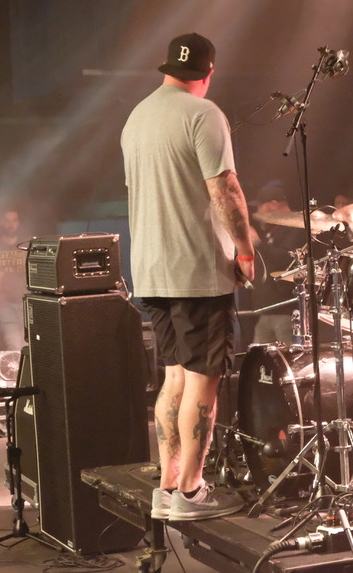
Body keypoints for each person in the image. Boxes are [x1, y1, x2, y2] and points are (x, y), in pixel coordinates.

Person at [121, 32, 255, 522]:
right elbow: (225, 189)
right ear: (208, 73)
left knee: (174, 376)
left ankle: (168, 487)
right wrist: (244, 250)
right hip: (197, 272)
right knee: (203, 381)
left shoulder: (137, 118)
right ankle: (193, 492)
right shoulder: (204, 114)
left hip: (150, 271)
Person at [248, 182, 304, 346]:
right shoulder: (272, 231)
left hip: (286, 311)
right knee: (259, 359)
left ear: (273, 204)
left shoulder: (296, 227)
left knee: (289, 357)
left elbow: (287, 261)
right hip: (266, 311)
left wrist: (257, 243)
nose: (257, 212)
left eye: (260, 206)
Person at [0, 209, 27, 352]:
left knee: (26, 343)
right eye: (7, 221)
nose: (11, 224)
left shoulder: (26, 247)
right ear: (1, 222)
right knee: (14, 343)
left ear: (18, 223)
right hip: (4, 303)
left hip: (24, 300)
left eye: (14, 220)